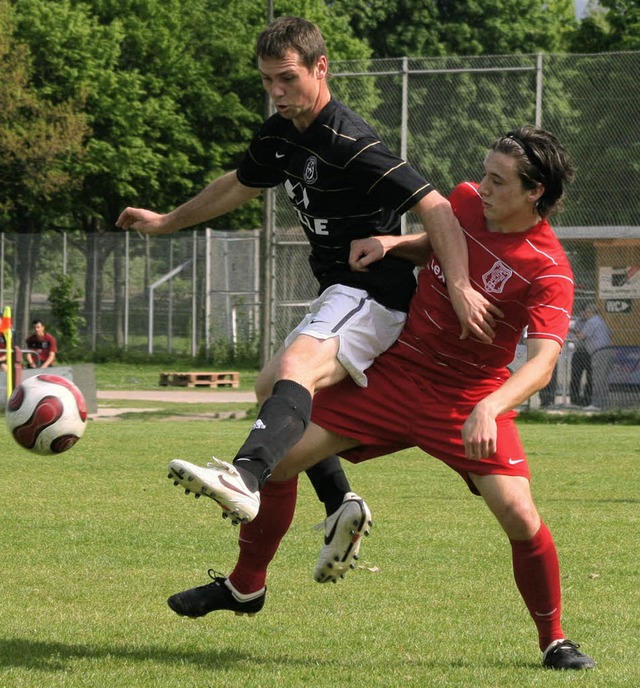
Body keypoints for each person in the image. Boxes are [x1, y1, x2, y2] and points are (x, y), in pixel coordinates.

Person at [166, 126, 595, 671]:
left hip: (466, 398)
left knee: (519, 514)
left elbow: (542, 363)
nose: (480, 185)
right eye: (484, 172)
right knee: (277, 462)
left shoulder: (549, 267)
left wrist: (489, 407)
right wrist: (395, 244)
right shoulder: (463, 203)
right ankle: (246, 586)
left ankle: (554, 641)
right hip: (393, 376)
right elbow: (437, 244)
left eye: (497, 179)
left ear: (534, 192)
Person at [118, 17, 497, 578]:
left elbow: (436, 205)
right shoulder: (279, 132)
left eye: (287, 79)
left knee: (292, 368)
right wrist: (170, 221)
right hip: (342, 292)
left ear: (320, 68)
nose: (277, 92)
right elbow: (241, 183)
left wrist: (462, 286)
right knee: (272, 385)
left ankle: (244, 477)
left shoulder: (350, 141)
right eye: (268, 80)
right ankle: (339, 502)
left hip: (377, 293)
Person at [570, 302, 613, 410]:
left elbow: (582, 336)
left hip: (599, 352)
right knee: (603, 379)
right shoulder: (600, 320)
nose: (584, 314)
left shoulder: (591, 321)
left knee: (598, 378)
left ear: (590, 312)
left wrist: (572, 330)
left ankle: (597, 404)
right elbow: (611, 333)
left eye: (586, 312)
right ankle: (602, 403)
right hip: (606, 350)